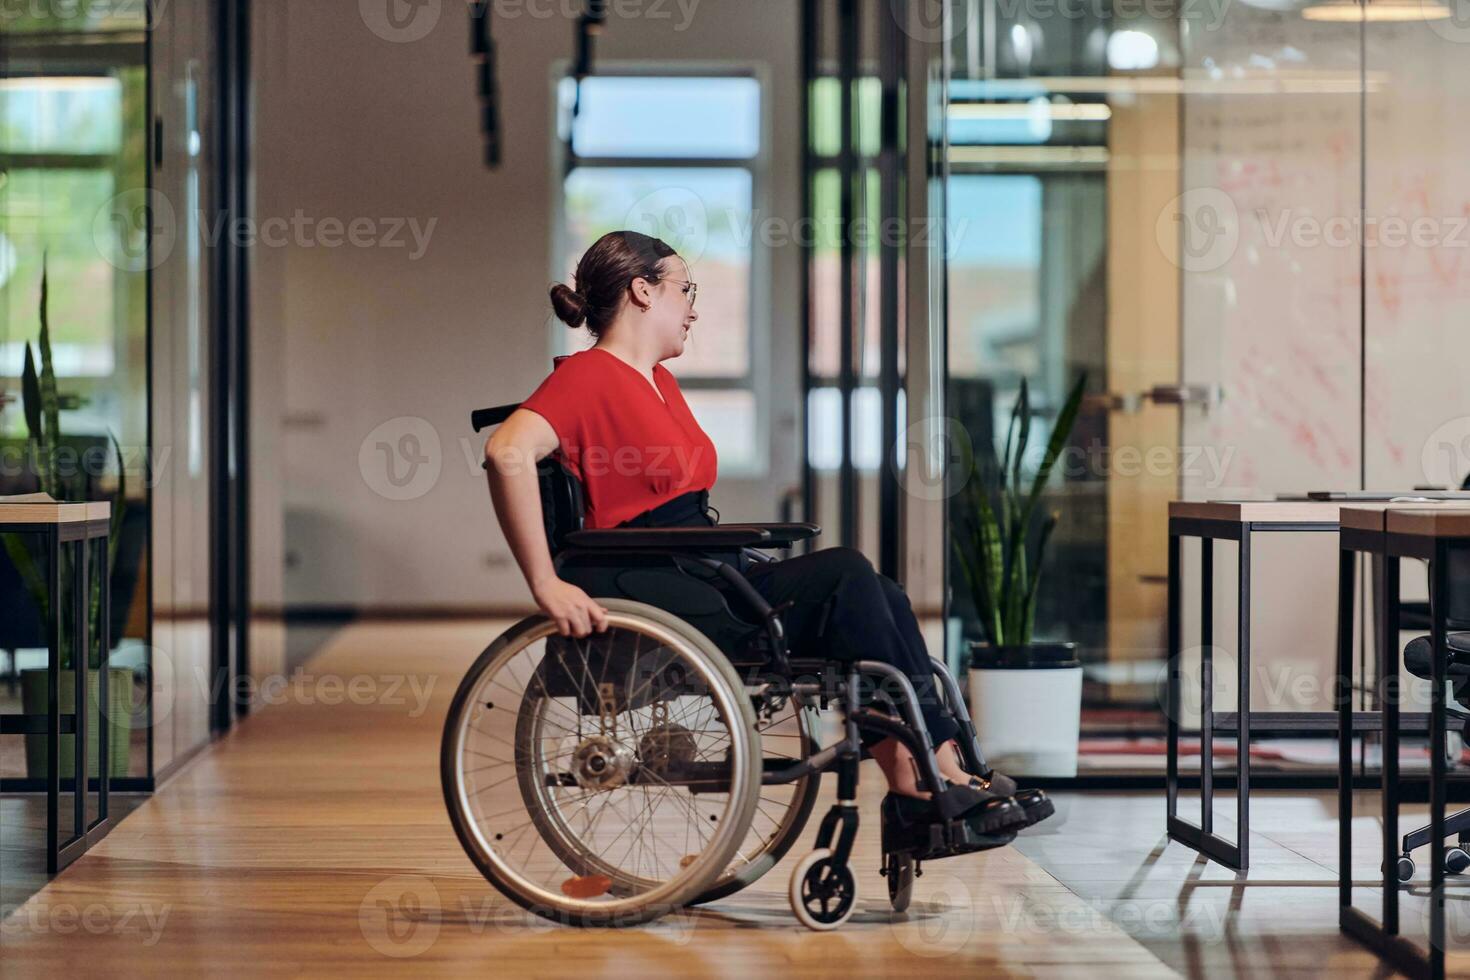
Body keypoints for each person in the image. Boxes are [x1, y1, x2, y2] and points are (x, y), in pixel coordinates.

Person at [483, 229, 1047, 835]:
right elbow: (506, 450)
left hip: (694, 563)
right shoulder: (590, 375)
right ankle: (928, 780)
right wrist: (544, 582)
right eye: (684, 289)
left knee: (879, 595)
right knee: (846, 575)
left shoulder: (659, 381)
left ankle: (929, 772)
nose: (693, 306)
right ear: (642, 292)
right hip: (653, 577)